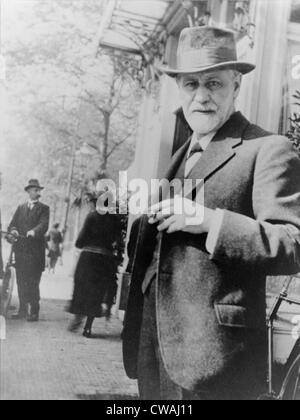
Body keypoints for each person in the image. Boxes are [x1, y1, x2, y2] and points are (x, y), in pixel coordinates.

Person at [122, 26, 300, 400]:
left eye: (214, 84)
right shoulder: (180, 156)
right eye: (191, 85)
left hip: (218, 360)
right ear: (179, 90)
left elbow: (292, 243)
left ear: (236, 85)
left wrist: (209, 221)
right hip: (155, 349)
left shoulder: (267, 149)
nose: (201, 97)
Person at [68, 193, 124, 338]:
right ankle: (88, 327)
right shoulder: (115, 220)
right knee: (96, 292)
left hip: (88, 258)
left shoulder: (92, 216)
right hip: (105, 260)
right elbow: (119, 243)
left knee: (81, 287)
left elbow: (79, 241)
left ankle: (77, 317)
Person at [8, 179, 50, 322]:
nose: (38, 192)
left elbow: (44, 225)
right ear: (29, 191)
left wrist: (33, 231)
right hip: (20, 251)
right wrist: (13, 231)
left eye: (39, 190)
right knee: (21, 281)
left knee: (33, 282)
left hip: (35, 253)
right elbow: (12, 224)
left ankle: (34, 311)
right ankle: (22, 310)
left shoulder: (44, 208)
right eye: (35, 190)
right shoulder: (20, 208)